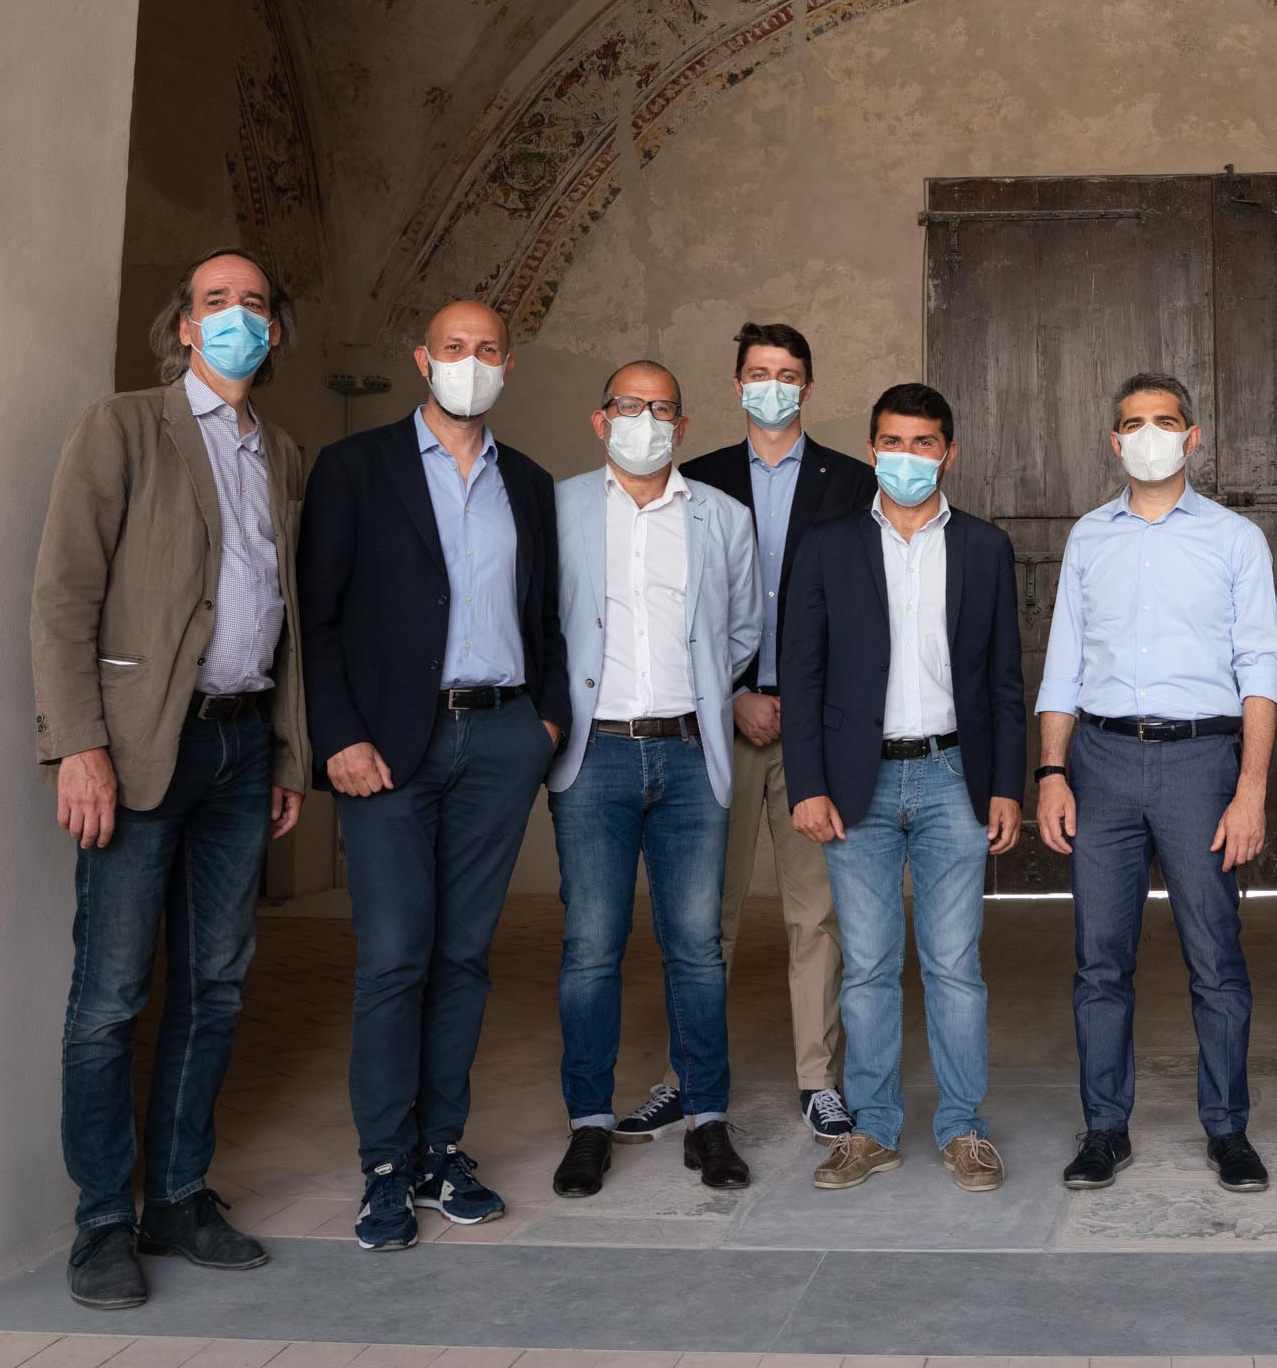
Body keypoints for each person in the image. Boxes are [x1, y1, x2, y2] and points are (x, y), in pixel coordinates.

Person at [32, 248, 308, 1308]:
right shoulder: (123, 427)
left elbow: (284, 618)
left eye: (254, 302)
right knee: (109, 996)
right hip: (139, 746)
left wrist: (283, 750)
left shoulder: (282, 450)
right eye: (216, 300)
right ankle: (103, 1218)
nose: (237, 315)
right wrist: (77, 742)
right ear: (184, 325)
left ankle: (179, 1196)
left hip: (239, 748)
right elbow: (65, 591)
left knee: (216, 984)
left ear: (273, 329)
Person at [298, 299, 568, 1250]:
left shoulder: (527, 482)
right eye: (455, 347)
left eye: (487, 349)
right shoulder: (355, 467)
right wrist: (338, 734)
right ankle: (383, 1164)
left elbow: (548, 616)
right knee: (395, 955)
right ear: (423, 359)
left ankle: (439, 1150)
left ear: (507, 365)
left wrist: (543, 724)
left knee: (463, 957)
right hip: (385, 749)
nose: (471, 361)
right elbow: (316, 616)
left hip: (499, 741)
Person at [625, 323, 873, 1146]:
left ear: (808, 386)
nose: (774, 385)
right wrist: (732, 694)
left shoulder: (853, 482)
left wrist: (804, 703)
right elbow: (670, 608)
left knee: (816, 915)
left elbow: (861, 614)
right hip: (715, 725)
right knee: (701, 917)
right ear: (737, 385)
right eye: (760, 372)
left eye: (788, 373)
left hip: (812, 733)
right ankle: (684, 1078)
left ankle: (818, 1081)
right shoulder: (693, 479)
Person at [1035, 373, 1277, 1193]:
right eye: (1134, 423)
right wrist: (1051, 771)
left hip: (1201, 764)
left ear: (1192, 435)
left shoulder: (1235, 539)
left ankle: (1229, 1129)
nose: (1149, 435)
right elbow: (1063, 664)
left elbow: (1261, 669)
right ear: (1114, 441)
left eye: (1164, 421)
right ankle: (1105, 1128)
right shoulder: (1088, 537)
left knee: (1216, 956)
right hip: (1101, 761)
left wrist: (1252, 788)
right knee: (1099, 960)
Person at [779, 382, 1025, 1193]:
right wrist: (807, 783)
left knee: (954, 964)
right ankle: (874, 1127)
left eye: (924, 443)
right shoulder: (826, 545)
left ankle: (962, 1126)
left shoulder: (984, 547)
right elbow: (802, 675)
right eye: (892, 441)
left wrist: (1007, 785)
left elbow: (1004, 678)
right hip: (859, 783)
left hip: (956, 775)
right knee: (868, 966)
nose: (907, 456)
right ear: (872, 448)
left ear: (948, 453)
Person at [546, 360, 764, 1199]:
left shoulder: (722, 515)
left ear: (682, 424)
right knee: (590, 948)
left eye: (663, 408)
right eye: (631, 405)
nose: (647, 420)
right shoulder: (559, 506)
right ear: (601, 419)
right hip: (593, 754)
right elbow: (542, 619)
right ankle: (588, 1122)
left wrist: (699, 692)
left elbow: (743, 627)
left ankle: (707, 1116)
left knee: (697, 949)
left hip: (688, 751)